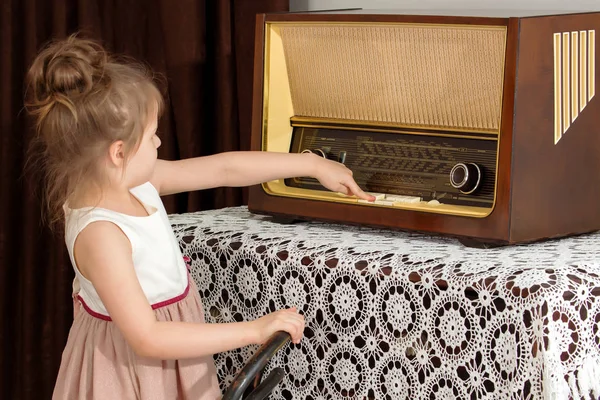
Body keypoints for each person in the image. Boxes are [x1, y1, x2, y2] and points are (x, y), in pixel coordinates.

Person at [24, 34, 374, 399]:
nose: (159, 143)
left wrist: (308, 163)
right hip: (132, 375)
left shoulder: (136, 183)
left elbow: (224, 169)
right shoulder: (102, 234)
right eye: (151, 136)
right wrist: (254, 330)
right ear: (118, 152)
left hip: (171, 362)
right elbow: (148, 337)